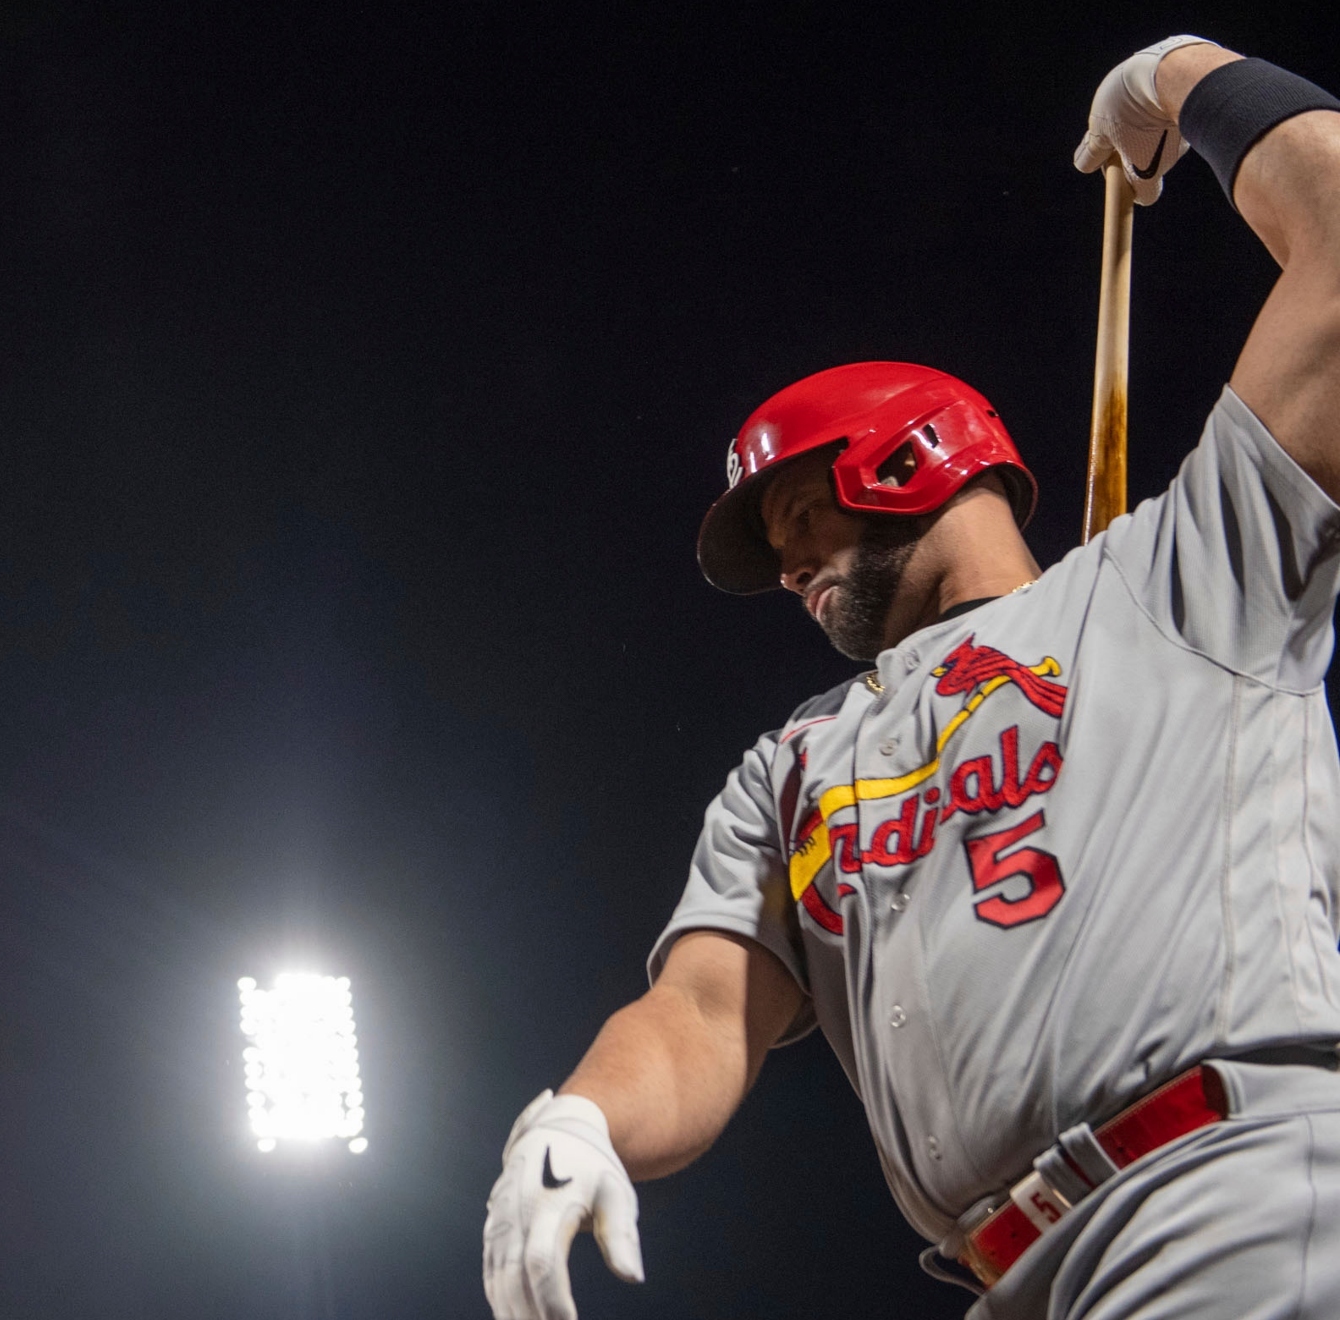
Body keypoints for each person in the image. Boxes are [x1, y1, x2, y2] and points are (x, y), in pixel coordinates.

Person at [482, 35, 1340, 1320]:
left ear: (907, 458)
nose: (785, 570)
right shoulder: (791, 769)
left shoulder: (1174, 574)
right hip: (1014, 1279)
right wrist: (581, 1118)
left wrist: (1180, 76)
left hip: (1222, 1189)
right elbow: (703, 1014)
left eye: (794, 520)